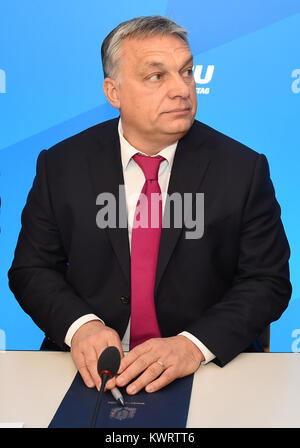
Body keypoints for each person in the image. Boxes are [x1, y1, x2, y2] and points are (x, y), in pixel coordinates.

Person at [8, 16, 291, 396]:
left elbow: (267, 281)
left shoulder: (243, 169)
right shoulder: (61, 165)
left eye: (186, 71)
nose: (182, 90)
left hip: (204, 368)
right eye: (157, 76)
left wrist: (193, 345)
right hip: (89, 368)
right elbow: (32, 268)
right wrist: (82, 326)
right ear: (114, 92)